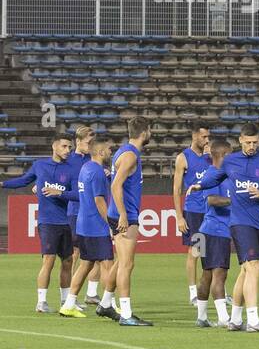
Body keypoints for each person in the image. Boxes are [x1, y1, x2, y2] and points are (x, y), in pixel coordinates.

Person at [190, 123, 259, 332]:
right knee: (253, 266)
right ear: (240, 140)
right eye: (248, 142)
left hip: (257, 222)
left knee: (244, 270)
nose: (252, 146)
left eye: (255, 142)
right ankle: (253, 320)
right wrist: (199, 185)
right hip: (238, 223)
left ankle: (235, 319)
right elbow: (215, 176)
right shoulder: (231, 161)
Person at [2, 134, 77, 313]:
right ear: (54, 146)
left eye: (70, 147)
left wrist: (60, 193)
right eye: (65, 146)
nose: (68, 150)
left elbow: (78, 195)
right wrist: (3, 183)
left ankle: (65, 301)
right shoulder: (40, 165)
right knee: (48, 260)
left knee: (67, 261)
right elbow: (23, 180)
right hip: (47, 222)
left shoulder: (72, 169)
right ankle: (41, 302)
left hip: (65, 221)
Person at [59, 136, 115, 318]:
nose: (111, 153)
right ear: (100, 152)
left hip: (83, 223)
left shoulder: (86, 168)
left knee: (86, 264)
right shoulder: (97, 172)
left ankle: (69, 303)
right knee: (108, 264)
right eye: (109, 150)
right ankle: (110, 304)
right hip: (95, 225)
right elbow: (99, 200)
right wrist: (111, 223)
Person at [107, 117, 153, 327]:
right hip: (124, 216)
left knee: (120, 262)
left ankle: (106, 303)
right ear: (144, 132)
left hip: (121, 213)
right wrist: (124, 214)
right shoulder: (130, 156)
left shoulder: (125, 152)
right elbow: (116, 186)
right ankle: (126, 313)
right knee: (127, 264)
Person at [193, 139, 234, 329]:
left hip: (204, 231)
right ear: (223, 156)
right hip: (216, 231)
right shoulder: (213, 175)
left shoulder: (220, 175)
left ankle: (202, 317)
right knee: (220, 274)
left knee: (207, 275)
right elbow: (211, 199)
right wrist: (234, 200)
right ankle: (224, 318)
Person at [173, 121, 211, 307]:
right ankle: (193, 293)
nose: (207, 140)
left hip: (212, 210)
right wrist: (179, 217)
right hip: (195, 211)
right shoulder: (184, 157)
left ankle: (216, 290)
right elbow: (176, 189)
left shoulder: (210, 156)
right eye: (204, 137)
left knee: (212, 252)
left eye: (208, 137)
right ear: (195, 136)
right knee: (195, 252)